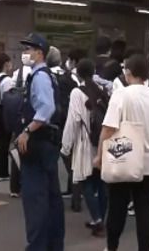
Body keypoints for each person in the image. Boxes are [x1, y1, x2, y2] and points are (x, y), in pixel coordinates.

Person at [95, 54, 149, 251]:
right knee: (144, 210)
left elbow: (108, 128)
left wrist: (99, 155)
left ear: (128, 73)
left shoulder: (122, 95)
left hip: (123, 158)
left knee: (117, 207)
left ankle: (112, 247)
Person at [16, 33, 65, 251]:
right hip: (47, 144)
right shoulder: (44, 75)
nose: (24, 53)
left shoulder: (40, 77)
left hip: (38, 144)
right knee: (51, 200)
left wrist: (27, 130)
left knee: (35, 201)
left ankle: (37, 246)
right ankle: (53, 245)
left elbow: (46, 109)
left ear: (40, 53)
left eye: (29, 49)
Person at [61, 59, 109, 237]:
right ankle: (101, 218)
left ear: (78, 74)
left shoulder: (77, 93)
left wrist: (66, 146)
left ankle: (97, 220)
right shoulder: (101, 91)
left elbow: (73, 121)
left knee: (86, 181)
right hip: (102, 142)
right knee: (100, 181)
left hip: (85, 142)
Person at [49, 46, 82, 210]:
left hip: (51, 123)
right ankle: (74, 194)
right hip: (69, 120)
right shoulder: (71, 77)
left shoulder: (44, 77)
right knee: (72, 160)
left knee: (52, 158)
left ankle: (53, 194)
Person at [0, 53, 15, 183]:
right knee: (5, 143)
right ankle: (1, 172)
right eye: (10, 62)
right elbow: (9, 100)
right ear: (6, 64)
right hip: (4, 113)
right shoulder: (8, 81)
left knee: (1, 141)